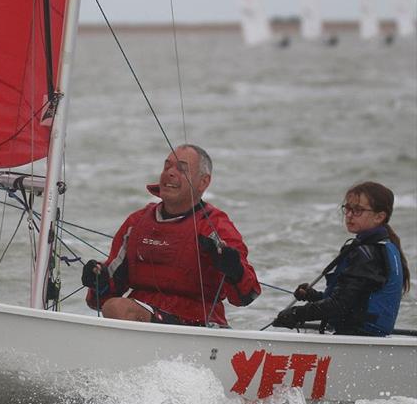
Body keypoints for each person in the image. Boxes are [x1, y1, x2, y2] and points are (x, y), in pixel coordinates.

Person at [82, 144, 261, 327]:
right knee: (114, 307)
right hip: (144, 316)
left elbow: (247, 294)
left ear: (203, 182)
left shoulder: (215, 226)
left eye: (181, 169)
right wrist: (98, 280)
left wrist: (235, 270)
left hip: (199, 326)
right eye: (167, 166)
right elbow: (100, 299)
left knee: (118, 308)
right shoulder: (136, 223)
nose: (170, 173)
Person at [273, 181, 410, 336]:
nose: (349, 215)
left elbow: (339, 305)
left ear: (379, 216)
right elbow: (353, 299)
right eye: (348, 208)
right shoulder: (383, 246)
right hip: (364, 335)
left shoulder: (368, 254)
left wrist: (295, 314)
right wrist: (312, 296)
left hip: (359, 337)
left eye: (358, 210)